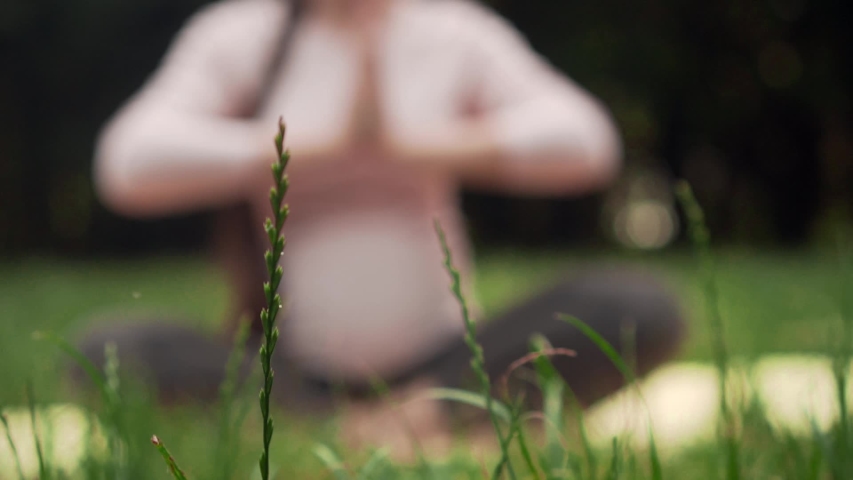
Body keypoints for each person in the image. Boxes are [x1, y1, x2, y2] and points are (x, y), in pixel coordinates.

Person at [78, 0, 686, 453]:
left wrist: (408, 147)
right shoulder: (240, 32)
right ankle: (348, 426)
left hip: (448, 364)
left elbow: (586, 140)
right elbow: (128, 163)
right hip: (293, 376)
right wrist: (315, 148)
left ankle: (415, 416)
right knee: (107, 351)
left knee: (636, 306)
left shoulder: (450, 29)